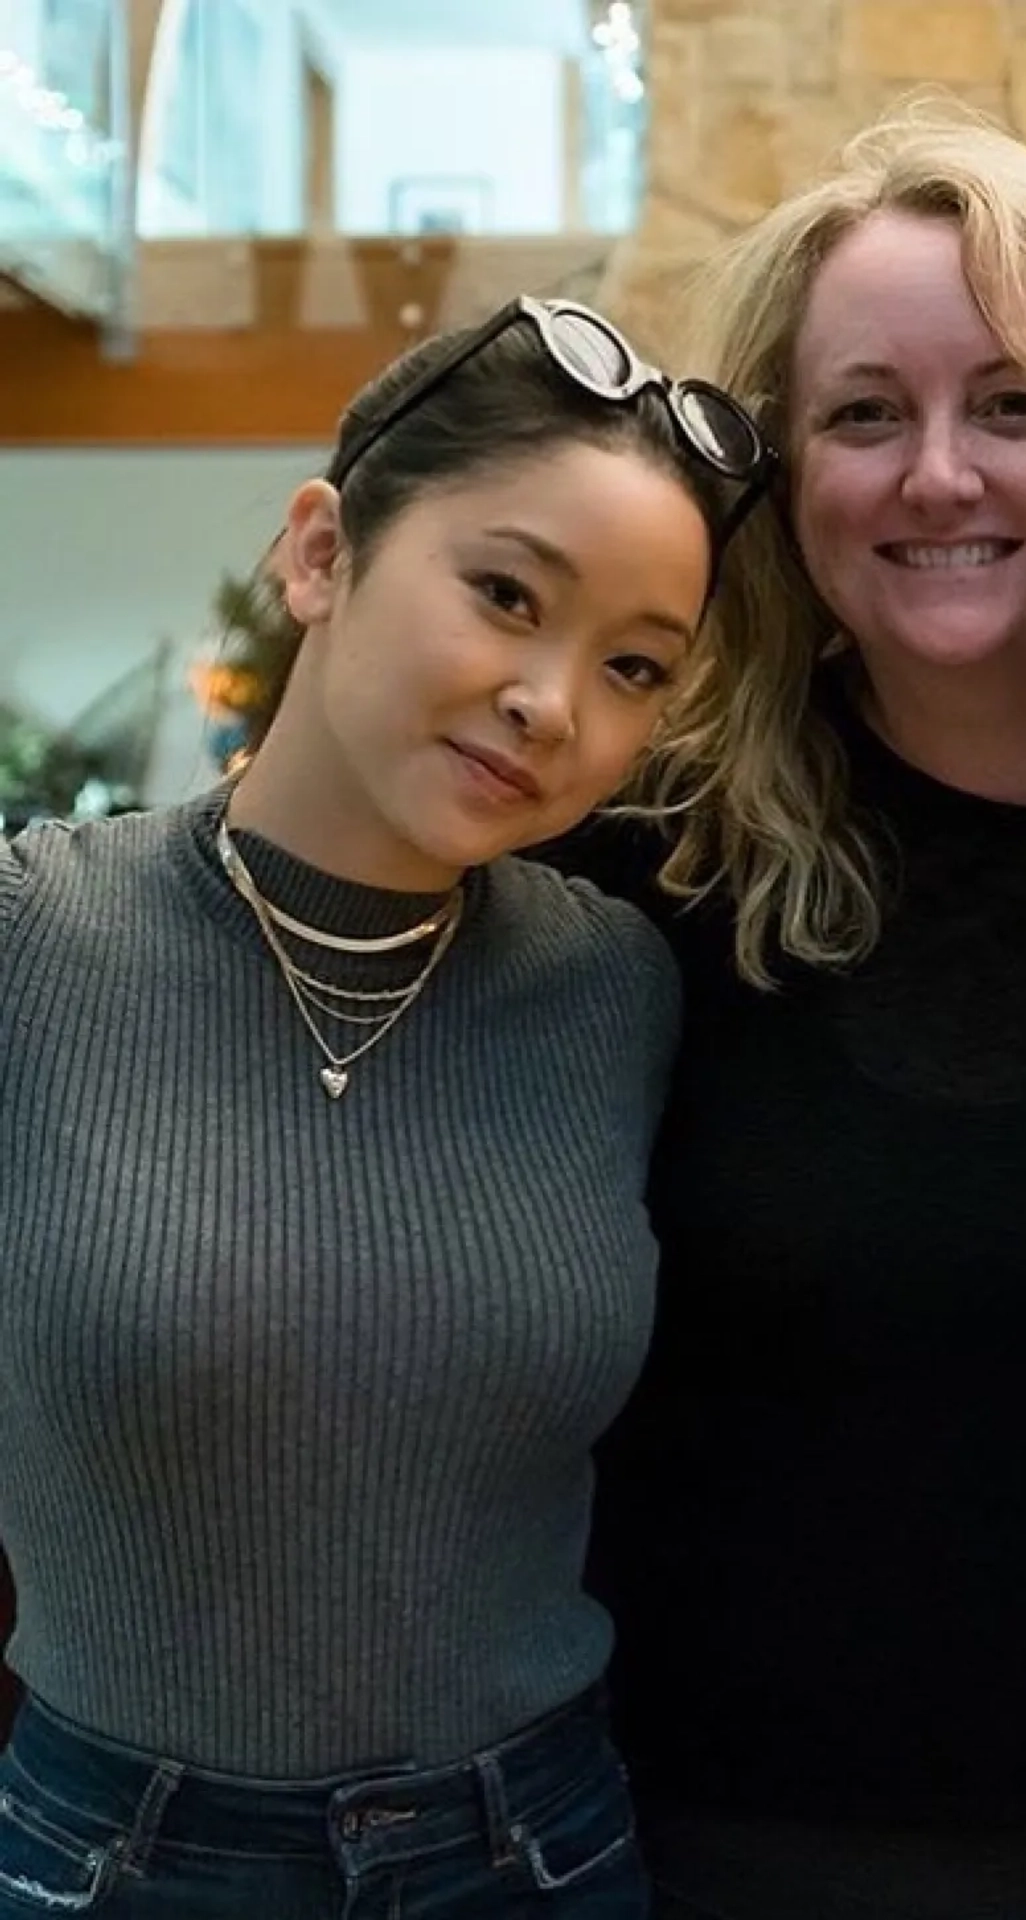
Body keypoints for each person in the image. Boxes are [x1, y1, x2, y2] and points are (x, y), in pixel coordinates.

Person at [546, 110, 1026, 1920]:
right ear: (785, 475)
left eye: (1013, 406)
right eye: (867, 415)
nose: (940, 476)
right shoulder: (626, 860)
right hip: (712, 1848)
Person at [0, 295, 771, 1917]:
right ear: (322, 553)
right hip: (118, 1862)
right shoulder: (31, 942)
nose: (553, 702)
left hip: (539, 1850)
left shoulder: (620, 991)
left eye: (634, 667)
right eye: (505, 593)